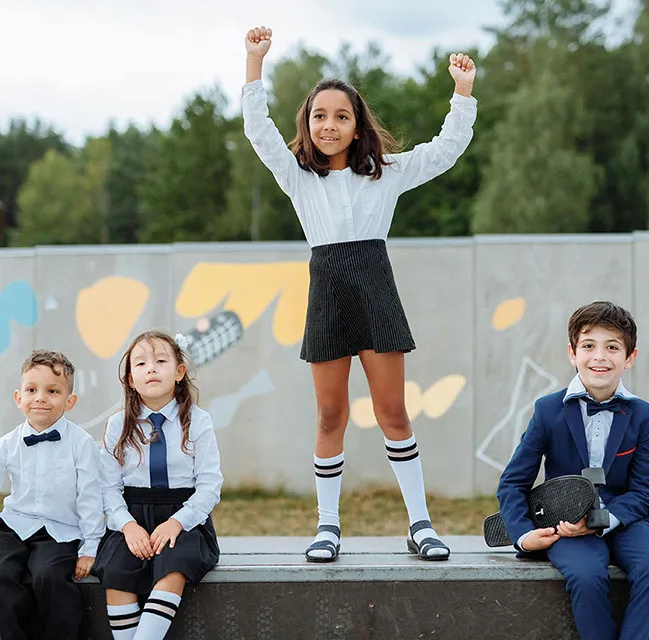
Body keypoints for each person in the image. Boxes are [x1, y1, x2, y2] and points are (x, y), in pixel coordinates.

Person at [241, 25, 477, 562]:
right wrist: (255, 64)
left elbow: (443, 152)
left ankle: (420, 525)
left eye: (341, 116)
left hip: (374, 287)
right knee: (330, 416)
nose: (329, 125)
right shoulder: (297, 177)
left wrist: (462, 96)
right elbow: (258, 131)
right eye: (319, 116)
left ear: (356, 125)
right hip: (326, 292)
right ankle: (328, 527)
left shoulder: (385, 174)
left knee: (394, 411)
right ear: (307, 123)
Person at [497, 301, 649, 640]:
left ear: (630, 357)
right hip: (564, 524)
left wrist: (599, 522)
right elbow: (513, 482)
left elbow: (647, 490)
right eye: (588, 346)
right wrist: (523, 535)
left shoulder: (641, 414)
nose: (599, 357)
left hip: (624, 518)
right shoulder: (548, 410)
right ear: (572, 353)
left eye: (612, 347)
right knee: (587, 574)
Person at [93, 330, 222, 639]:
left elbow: (209, 486)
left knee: (174, 563)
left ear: (179, 372)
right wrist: (127, 526)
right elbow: (107, 488)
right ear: (129, 379)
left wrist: (177, 523)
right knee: (116, 570)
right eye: (140, 363)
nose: (151, 368)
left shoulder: (198, 421)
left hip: (184, 517)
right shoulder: (117, 425)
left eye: (161, 360)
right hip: (132, 516)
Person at [0, 349, 104, 640]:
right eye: (32, 390)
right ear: (19, 398)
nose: (41, 397)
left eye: (52, 390)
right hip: (15, 524)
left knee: (49, 576)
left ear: (69, 401)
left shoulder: (81, 443)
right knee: (2, 573)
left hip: (59, 529)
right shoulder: (8, 444)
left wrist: (90, 546)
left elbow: (90, 496)